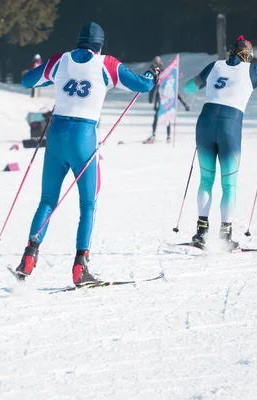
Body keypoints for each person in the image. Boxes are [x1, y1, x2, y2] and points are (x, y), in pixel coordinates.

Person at [15, 22, 160, 286]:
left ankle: (29, 255)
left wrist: (49, 73)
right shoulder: (107, 64)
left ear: (78, 41)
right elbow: (143, 86)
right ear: (100, 44)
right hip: (83, 137)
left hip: (56, 134)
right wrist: (153, 74)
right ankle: (80, 267)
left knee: (47, 199)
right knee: (88, 204)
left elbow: (27, 80)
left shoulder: (61, 59)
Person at [182, 35, 257, 250]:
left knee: (206, 180)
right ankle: (225, 235)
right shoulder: (253, 70)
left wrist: (202, 81)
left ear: (232, 52)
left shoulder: (215, 65)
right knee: (228, 184)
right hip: (230, 127)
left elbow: (188, 88)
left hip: (204, 123)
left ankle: (201, 232)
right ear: (249, 55)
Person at [145, 56, 190, 144]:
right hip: (160, 98)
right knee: (159, 116)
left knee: (165, 117)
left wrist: (184, 103)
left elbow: (171, 90)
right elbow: (153, 85)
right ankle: (157, 135)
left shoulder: (162, 72)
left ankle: (166, 136)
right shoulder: (157, 70)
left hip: (164, 98)